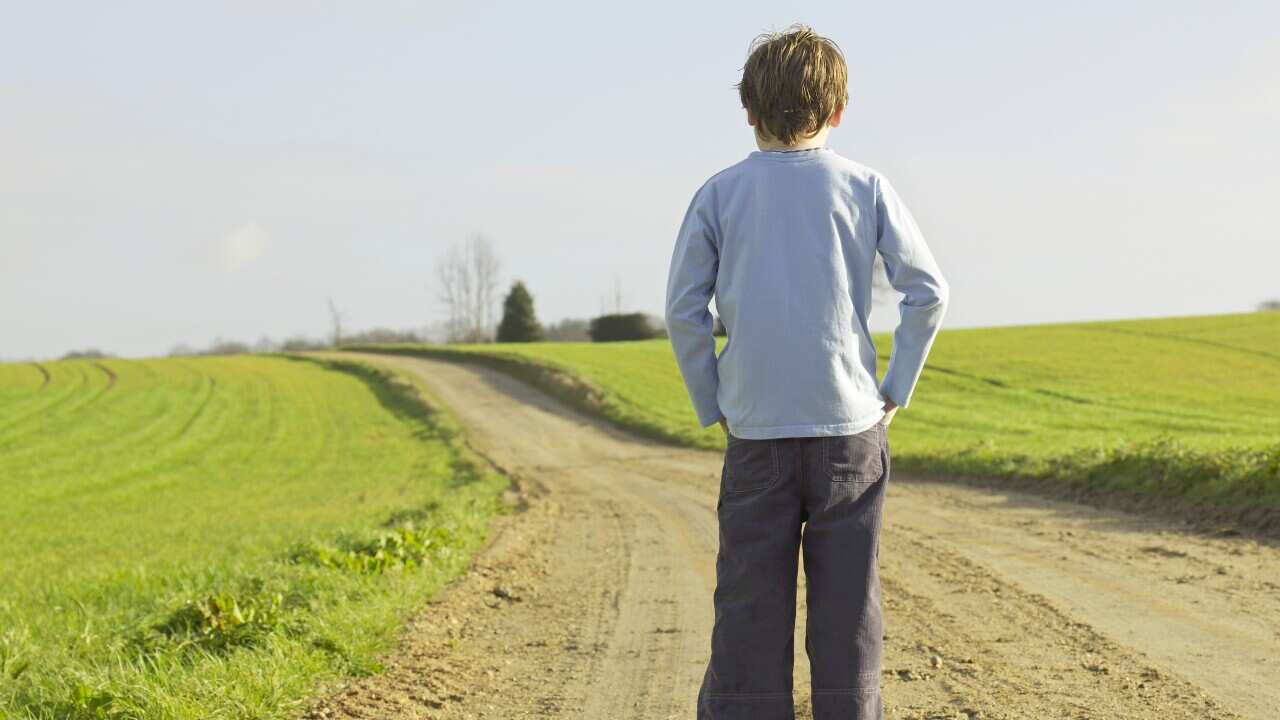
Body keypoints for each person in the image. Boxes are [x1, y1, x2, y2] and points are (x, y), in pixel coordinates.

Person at [664, 23, 950, 720]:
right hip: (851, 430)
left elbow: (683, 311)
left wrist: (714, 399)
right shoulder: (867, 186)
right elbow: (928, 293)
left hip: (757, 431)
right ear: (839, 110)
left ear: (750, 112)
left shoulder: (719, 193)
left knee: (749, 611)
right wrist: (895, 391)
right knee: (848, 607)